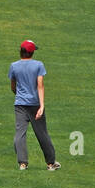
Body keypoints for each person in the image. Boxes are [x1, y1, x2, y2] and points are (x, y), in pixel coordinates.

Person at [10, 41, 60, 172]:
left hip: (20, 104)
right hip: (35, 105)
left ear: (20, 51)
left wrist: (19, 95)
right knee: (42, 133)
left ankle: (22, 163)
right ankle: (50, 163)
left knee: (20, 133)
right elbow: (40, 85)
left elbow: (13, 86)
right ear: (32, 52)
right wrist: (42, 106)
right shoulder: (38, 65)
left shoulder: (14, 66)